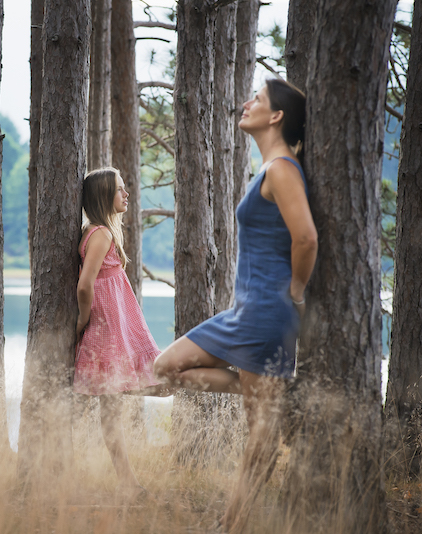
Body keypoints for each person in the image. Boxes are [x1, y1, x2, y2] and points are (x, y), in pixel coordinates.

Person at [153, 78, 317, 532]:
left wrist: (297, 293)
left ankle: (232, 525)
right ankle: (279, 390)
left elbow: (306, 237)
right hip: (243, 313)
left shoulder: (283, 169)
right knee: (168, 367)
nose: (247, 104)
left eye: (258, 100)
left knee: (259, 437)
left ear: (277, 116)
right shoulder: (270, 168)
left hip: (267, 314)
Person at [75, 167, 165, 501]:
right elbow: (86, 284)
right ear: (103, 197)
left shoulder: (98, 232)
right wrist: (83, 321)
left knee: (111, 409)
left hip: (115, 331)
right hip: (109, 333)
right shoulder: (102, 234)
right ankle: (127, 483)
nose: (127, 195)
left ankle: (127, 482)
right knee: (156, 383)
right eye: (120, 190)